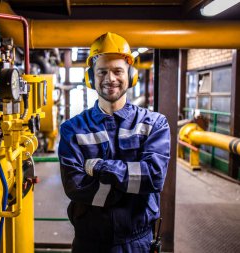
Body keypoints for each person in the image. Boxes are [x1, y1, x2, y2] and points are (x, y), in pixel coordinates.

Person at [58, 32, 171, 253]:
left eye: (118, 71)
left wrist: (99, 167)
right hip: (90, 243)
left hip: (138, 242)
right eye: (102, 72)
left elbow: (154, 178)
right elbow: (75, 186)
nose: (110, 78)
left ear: (131, 75)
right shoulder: (72, 128)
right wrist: (129, 187)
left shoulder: (155, 124)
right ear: (91, 77)